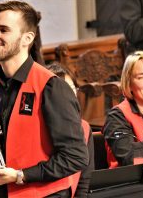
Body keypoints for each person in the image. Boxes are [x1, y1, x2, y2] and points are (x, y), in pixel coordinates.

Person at [0, 0, 89, 198]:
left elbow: (75, 157)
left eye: (3, 30)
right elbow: (1, 147)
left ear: (27, 38)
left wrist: (21, 175)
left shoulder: (52, 87)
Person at [103, 51, 143, 168]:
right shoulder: (116, 117)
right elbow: (129, 159)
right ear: (128, 84)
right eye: (141, 77)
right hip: (135, 183)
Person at [45, 63, 94, 198]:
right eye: (62, 90)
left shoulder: (84, 126)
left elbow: (85, 179)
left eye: (71, 89)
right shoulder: (39, 128)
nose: (67, 96)